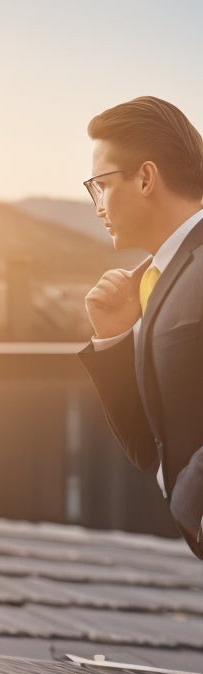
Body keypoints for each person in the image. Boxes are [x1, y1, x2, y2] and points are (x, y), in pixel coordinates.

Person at [79, 96, 203, 558]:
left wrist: (196, 506)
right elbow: (152, 448)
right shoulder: (156, 280)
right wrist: (112, 338)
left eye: (102, 185)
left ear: (146, 178)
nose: (97, 205)